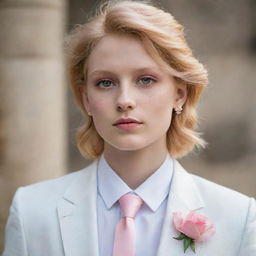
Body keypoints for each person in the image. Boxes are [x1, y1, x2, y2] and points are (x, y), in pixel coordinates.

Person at [2, 1, 256, 255]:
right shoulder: (31, 212)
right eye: (105, 82)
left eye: (146, 80)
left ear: (179, 94)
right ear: (86, 98)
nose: (124, 100)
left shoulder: (237, 218)